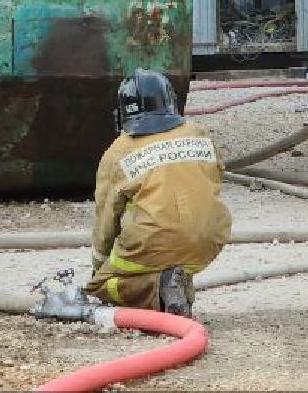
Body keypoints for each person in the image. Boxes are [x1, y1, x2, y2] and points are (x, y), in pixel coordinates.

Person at [86, 69, 232, 317]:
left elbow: (106, 222)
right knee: (171, 247)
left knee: (102, 288)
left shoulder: (116, 153)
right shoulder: (199, 132)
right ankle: (174, 283)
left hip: (156, 245)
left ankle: (160, 285)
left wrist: (101, 268)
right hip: (210, 241)